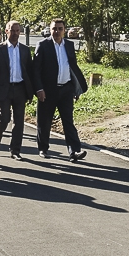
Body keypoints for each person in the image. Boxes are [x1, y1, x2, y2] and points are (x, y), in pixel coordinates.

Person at [33, 18, 88, 161]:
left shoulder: (69, 45)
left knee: (68, 121)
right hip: (47, 90)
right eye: (54, 28)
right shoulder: (43, 45)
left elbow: (72, 67)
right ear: (49, 30)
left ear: (64, 30)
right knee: (44, 121)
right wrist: (39, 89)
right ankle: (43, 149)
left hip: (66, 89)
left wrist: (76, 88)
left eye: (60, 29)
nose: (57, 31)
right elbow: (36, 70)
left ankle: (74, 151)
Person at [0, 21, 34, 160]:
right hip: (4, 90)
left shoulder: (25, 50)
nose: (15, 33)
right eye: (12, 30)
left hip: (20, 89)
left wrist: (30, 91)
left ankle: (15, 150)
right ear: (6, 31)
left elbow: (29, 71)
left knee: (19, 121)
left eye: (17, 31)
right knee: (4, 119)